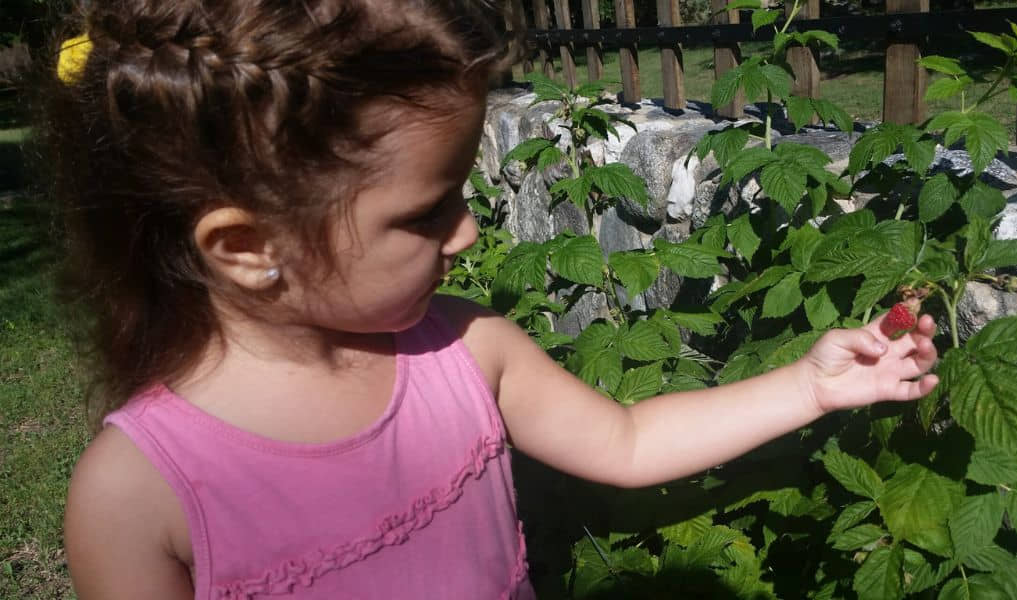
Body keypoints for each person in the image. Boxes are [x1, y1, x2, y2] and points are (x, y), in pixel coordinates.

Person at [49, 1, 939, 598]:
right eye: (426, 211)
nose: (468, 231)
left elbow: (626, 442)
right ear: (248, 249)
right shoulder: (137, 498)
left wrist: (810, 386)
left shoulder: (466, 349)